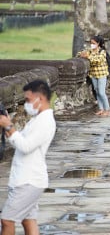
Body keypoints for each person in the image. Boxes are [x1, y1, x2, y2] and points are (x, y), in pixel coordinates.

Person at [0, 80, 56, 235]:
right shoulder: (37, 120)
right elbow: (21, 141)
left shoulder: (45, 122)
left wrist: (9, 127)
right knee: (28, 220)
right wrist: (9, 129)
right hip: (25, 177)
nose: (26, 104)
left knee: (7, 220)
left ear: (41, 99)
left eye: (28, 100)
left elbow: (26, 146)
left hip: (28, 180)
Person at [78, 35, 110, 116]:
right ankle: (101, 109)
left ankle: (107, 109)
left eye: (93, 43)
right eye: (91, 43)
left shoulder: (102, 52)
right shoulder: (90, 51)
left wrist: (88, 56)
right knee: (97, 92)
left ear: (98, 43)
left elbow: (98, 60)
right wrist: (82, 54)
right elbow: (80, 53)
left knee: (102, 92)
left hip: (102, 74)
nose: (92, 45)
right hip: (93, 74)